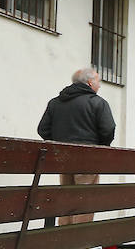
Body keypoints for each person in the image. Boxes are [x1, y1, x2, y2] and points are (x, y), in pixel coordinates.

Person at [38, 67, 116, 225]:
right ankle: (79, 242)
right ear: (89, 82)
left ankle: (63, 240)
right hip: (88, 159)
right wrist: (100, 146)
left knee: (66, 199)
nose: (99, 85)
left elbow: (43, 130)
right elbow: (108, 129)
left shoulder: (55, 103)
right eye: (98, 81)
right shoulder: (98, 103)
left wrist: (60, 144)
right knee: (85, 201)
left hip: (63, 160)